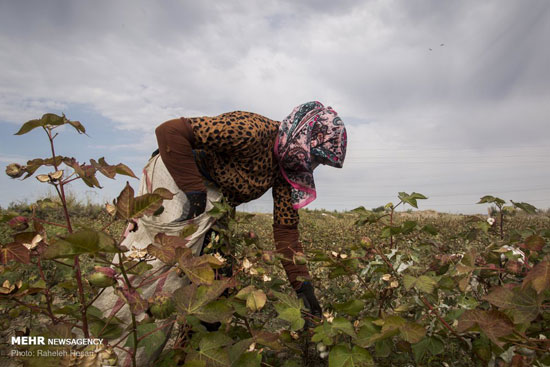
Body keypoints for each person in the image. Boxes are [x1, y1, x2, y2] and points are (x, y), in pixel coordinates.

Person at [154, 101, 347, 320]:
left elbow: (286, 234)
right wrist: (195, 191)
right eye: (316, 157)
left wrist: (303, 288)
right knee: (161, 267)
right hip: (176, 178)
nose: (313, 165)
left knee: (216, 286)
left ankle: (189, 346)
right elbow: (169, 132)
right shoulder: (251, 130)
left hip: (216, 204)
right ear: (303, 137)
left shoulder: (287, 169)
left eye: (320, 161)